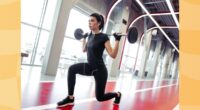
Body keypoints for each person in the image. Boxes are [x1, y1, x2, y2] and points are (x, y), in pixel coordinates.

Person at [57, 13, 122, 107]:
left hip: (100, 70)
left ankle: (117, 94)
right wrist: (84, 38)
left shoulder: (104, 37)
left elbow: (113, 55)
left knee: (100, 97)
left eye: (92, 21)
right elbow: (84, 49)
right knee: (72, 69)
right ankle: (70, 98)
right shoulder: (90, 35)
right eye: (88, 21)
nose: (89, 23)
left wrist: (117, 40)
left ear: (99, 23)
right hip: (90, 67)